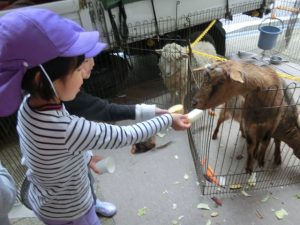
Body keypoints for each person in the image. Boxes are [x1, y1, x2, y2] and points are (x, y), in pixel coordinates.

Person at [0, 8, 191, 225]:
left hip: (47, 199)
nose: (84, 75)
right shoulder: (67, 129)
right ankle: (89, 211)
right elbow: (123, 135)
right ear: (40, 80)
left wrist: (86, 156)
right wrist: (167, 119)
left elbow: (52, 153)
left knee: (82, 179)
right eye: (77, 70)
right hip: (71, 210)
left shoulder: (28, 106)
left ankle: (92, 204)